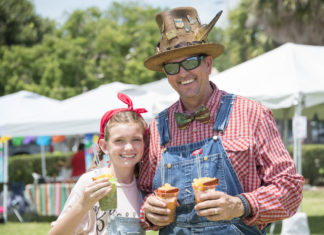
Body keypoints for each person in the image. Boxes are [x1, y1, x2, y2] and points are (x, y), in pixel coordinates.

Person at [138, 6, 304, 234]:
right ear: (166, 74)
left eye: (190, 62)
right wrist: (149, 210)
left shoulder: (251, 113)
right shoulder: (157, 127)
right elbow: (142, 192)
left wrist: (241, 205)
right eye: (172, 66)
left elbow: (290, 188)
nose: (182, 73)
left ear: (208, 64)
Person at [49, 93, 148, 235]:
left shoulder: (143, 187)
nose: (129, 147)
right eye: (119, 140)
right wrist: (82, 205)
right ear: (104, 146)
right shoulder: (90, 182)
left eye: (136, 139)